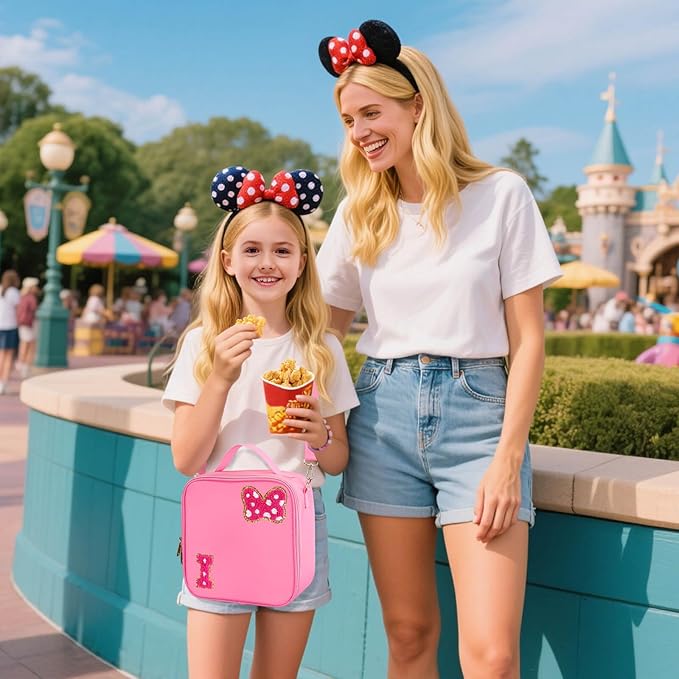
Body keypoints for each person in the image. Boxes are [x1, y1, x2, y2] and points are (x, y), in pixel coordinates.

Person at [315, 20, 562, 678]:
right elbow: (323, 335)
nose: (359, 131)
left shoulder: (501, 195)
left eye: (372, 113)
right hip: (380, 418)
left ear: (417, 106)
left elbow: (528, 340)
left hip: (478, 421)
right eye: (348, 120)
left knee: (492, 655)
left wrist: (507, 459)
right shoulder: (358, 211)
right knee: (408, 634)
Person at [162, 165, 359, 679]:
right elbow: (185, 458)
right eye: (252, 250)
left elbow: (338, 460)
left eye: (282, 250)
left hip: (297, 518)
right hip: (221, 520)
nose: (267, 263)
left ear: (302, 263)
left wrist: (320, 437)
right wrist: (221, 378)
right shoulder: (203, 343)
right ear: (227, 260)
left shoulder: (322, 349)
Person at [0, 269, 20, 395]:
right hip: (10, 326)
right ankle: (3, 383)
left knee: (1, 355)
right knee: (8, 356)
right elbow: (18, 309)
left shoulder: (1, 289)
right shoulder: (14, 292)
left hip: (0, 325)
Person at [16, 276, 40, 379]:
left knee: (24, 344)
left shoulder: (21, 296)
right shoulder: (31, 298)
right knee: (31, 346)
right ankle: (25, 367)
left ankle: (20, 364)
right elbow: (34, 310)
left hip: (22, 324)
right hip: (30, 324)